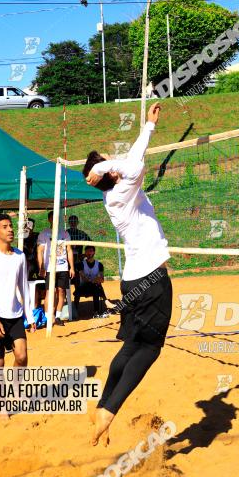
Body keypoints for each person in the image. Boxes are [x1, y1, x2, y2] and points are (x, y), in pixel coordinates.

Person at [82, 103, 172, 446]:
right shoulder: (120, 191)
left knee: (132, 345)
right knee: (150, 348)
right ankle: (109, 411)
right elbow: (133, 165)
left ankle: (103, 403)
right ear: (106, 173)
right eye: (107, 159)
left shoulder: (117, 193)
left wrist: (148, 127)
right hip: (150, 279)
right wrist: (104, 164)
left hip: (134, 280)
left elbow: (132, 159)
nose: (111, 158)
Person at [0, 214, 35, 371]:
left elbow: (24, 287)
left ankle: (16, 392)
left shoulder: (20, 256)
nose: (10, 229)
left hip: (15, 315)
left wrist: (29, 315)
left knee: (22, 356)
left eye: (11, 226)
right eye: (5, 227)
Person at [37, 211, 75, 326]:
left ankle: (58, 316)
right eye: (53, 218)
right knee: (50, 291)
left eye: (57, 218)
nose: (55, 220)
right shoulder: (44, 233)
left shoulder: (65, 233)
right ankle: (49, 317)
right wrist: (42, 267)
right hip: (49, 268)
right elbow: (40, 251)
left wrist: (71, 267)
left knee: (61, 291)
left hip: (63, 267)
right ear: (49, 219)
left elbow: (69, 250)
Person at [75, 245, 108, 318]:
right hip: (83, 288)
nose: (89, 253)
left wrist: (97, 280)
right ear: (85, 253)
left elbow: (102, 279)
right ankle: (106, 300)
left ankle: (96, 312)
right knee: (96, 285)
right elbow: (83, 278)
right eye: (87, 251)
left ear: (94, 252)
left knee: (96, 287)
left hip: (94, 287)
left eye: (91, 251)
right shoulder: (81, 264)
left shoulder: (99, 265)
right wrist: (94, 280)